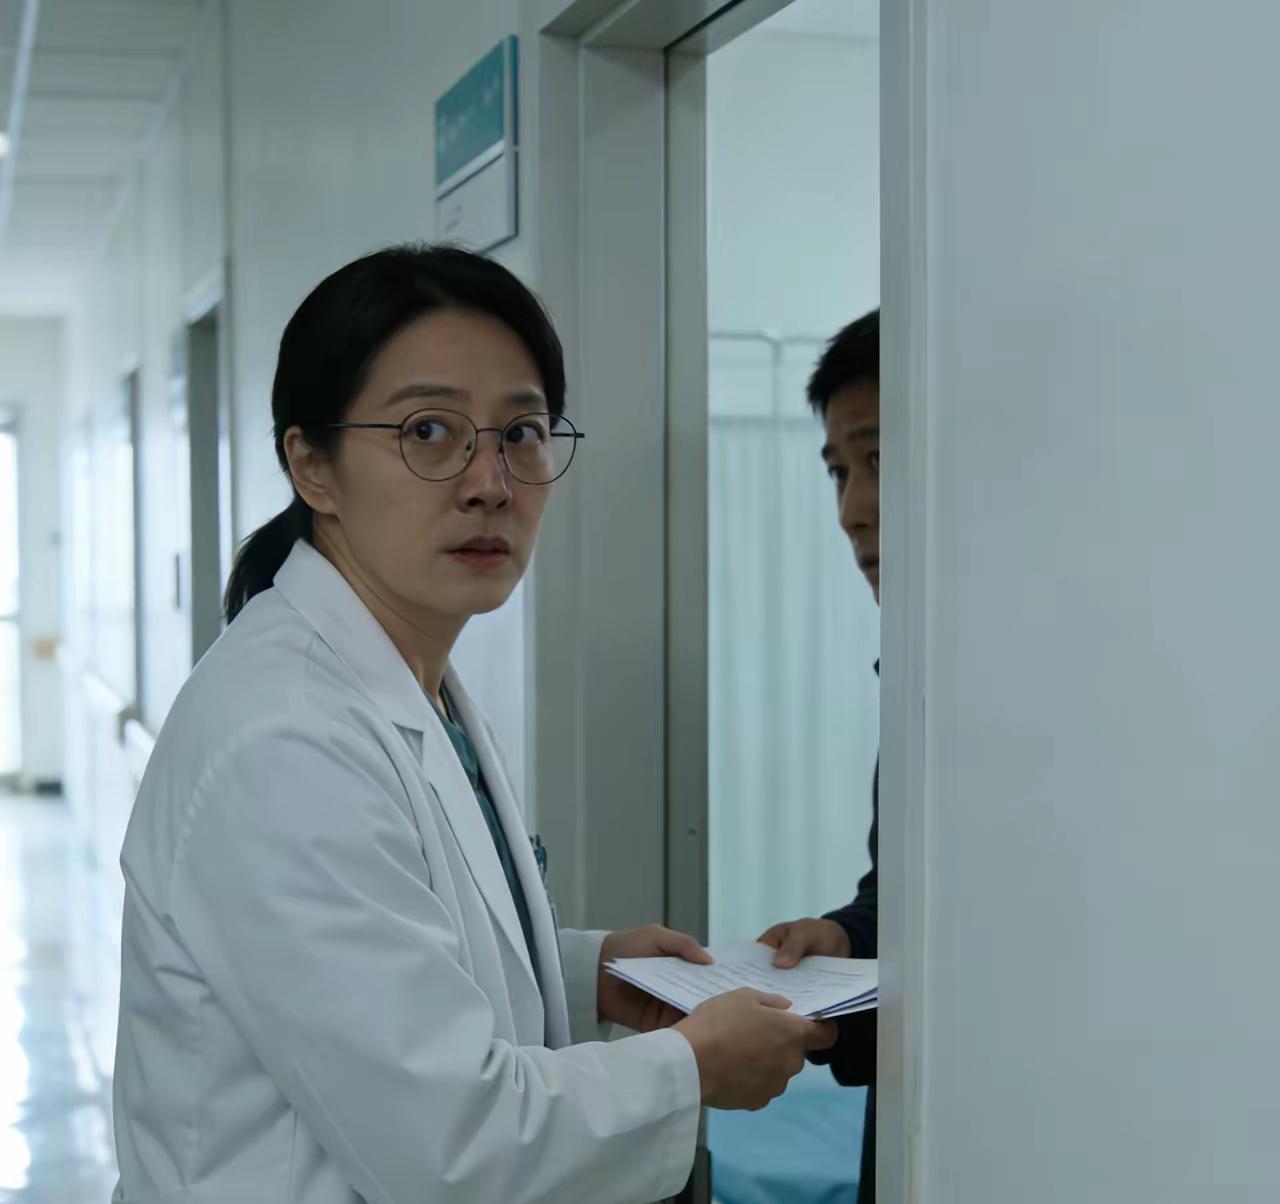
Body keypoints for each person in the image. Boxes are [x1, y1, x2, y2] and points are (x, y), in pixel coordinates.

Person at [111, 245, 835, 1204]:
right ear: (312, 465)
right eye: (429, 430)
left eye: (521, 433)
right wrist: (691, 1069)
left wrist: (582, 973)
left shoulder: (409, 679)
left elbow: (386, 968)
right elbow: (448, 1144)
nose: (490, 481)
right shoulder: (284, 739)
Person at [758, 308, 881, 1204]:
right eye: (840, 471)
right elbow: (915, 900)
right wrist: (846, 939)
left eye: (880, 461)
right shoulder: (922, 671)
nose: (852, 511)